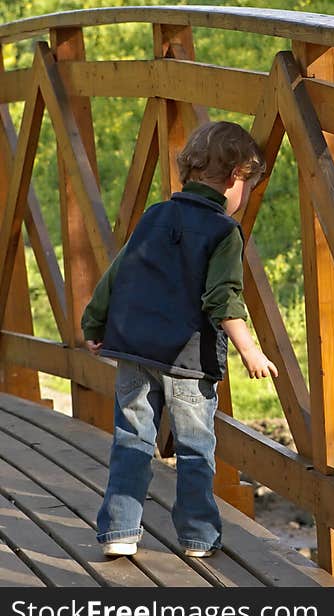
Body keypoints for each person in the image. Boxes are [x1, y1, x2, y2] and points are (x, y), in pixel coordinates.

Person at [81, 121, 278, 559]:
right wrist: (250, 349)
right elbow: (222, 298)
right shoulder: (224, 232)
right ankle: (198, 537)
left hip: (135, 350)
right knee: (194, 449)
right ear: (234, 180)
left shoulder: (155, 215)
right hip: (188, 360)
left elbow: (119, 272)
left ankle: (119, 531)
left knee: (132, 440)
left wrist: (94, 325)